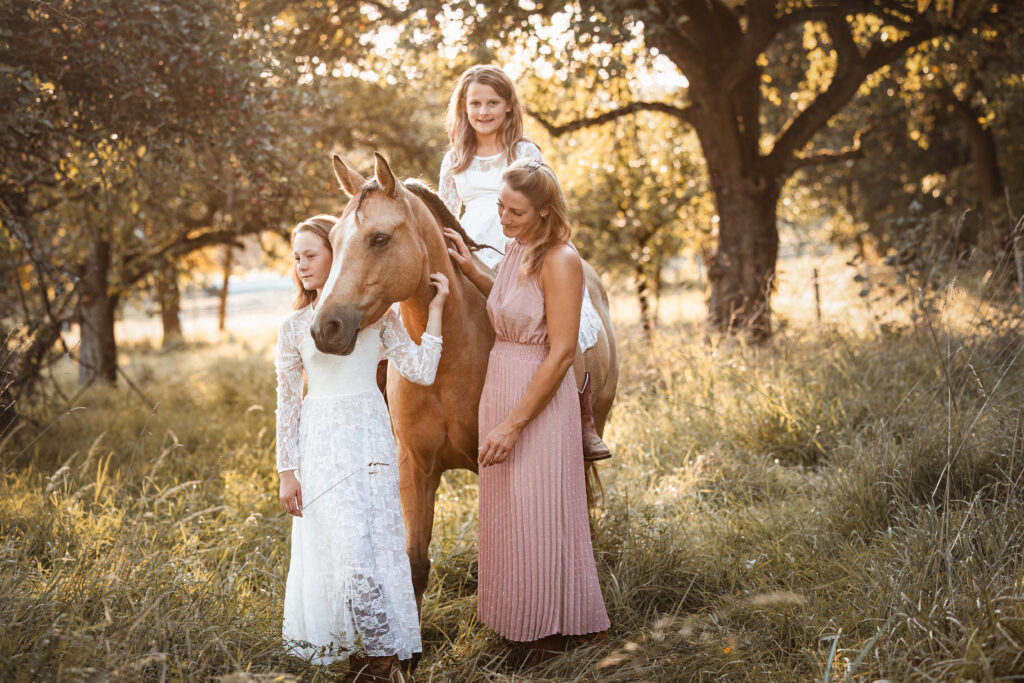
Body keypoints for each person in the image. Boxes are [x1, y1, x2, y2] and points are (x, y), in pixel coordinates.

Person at [444, 159, 610, 664]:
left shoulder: (561, 260)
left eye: (514, 212)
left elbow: (560, 351)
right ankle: (519, 619)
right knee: (509, 509)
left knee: (541, 509)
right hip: (501, 378)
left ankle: (553, 634)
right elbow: (509, 302)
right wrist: (468, 265)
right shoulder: (517, 248)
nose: (504, 218)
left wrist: (513, 424)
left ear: (543, 212)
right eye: (500, 207)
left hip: (537, 396)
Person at [275, 215, 449, 680]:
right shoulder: (294, 327)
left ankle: (381, 662)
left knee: (369, 551)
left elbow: (423, 369)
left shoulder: (379, 321)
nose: (302, 265)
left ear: (336, 257)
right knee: (339, 552)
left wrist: (435, 310)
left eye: (311, 255)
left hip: (369, 442)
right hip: (320, 445)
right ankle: (370, 655)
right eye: (297, 257)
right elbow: (287, 405)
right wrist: (286, 471)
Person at [440, 64, 611, 462]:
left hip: (523, 242)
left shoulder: (523, 152)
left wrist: (541, 246)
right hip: (474, 245)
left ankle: (582, 416)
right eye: (475, 103)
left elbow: (546, 201)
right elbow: (447, 215)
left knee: (570, 320)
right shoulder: (455, 159)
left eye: (493, 103)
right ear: (463, 108)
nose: (483, 112)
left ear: (508, 107)